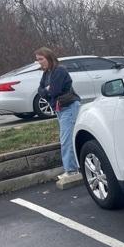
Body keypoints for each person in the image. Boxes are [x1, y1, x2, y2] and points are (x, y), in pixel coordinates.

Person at [35, 47, 81, 180]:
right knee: (66, 139)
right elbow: (40, 90)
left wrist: (47, 90)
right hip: (59, 109)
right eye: (37, 60)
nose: (39, 62)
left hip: (69, 107)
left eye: (41, 59)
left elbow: (55, 91)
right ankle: (74, 167)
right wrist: (46, 89)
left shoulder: (59, 70)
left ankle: (71, 171)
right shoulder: (46, 74)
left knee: (65, 140)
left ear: (48, 57)